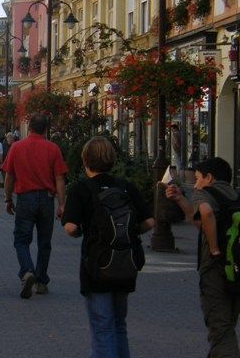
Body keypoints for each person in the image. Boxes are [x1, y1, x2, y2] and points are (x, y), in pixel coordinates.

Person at [63, 137, 154, 358]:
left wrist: (83, 232)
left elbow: (70, 227)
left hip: (97, 264)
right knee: (118, 323)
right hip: (125, 263)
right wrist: (129, 233)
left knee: (102, 325)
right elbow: (150, 222)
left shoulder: (81, 189)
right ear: (112, 160)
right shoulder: (125, 186)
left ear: (85, 160)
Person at [165, 157, 240, 357]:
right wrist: (181, 200)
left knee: (221, 331)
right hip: (236, 269)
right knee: (227, 323)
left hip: (215, 270)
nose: (195, 183)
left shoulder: (204, 193)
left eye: (198, 178)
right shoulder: (235, 196)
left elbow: (206, 214)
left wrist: (214, 248)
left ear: (209, 178)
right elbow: (202, 222)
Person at [2, 114, 68, 298]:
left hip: (25, 199)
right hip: (47, 199)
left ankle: (27, 270)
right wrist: (62, 204)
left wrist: (8, 199)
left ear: (29, 128)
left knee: (21, 239)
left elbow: (9, 176)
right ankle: (40, 281)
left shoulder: (16, 147)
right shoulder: (53, 148)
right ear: (45, 129)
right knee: (44, 242)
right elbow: (59, 178)